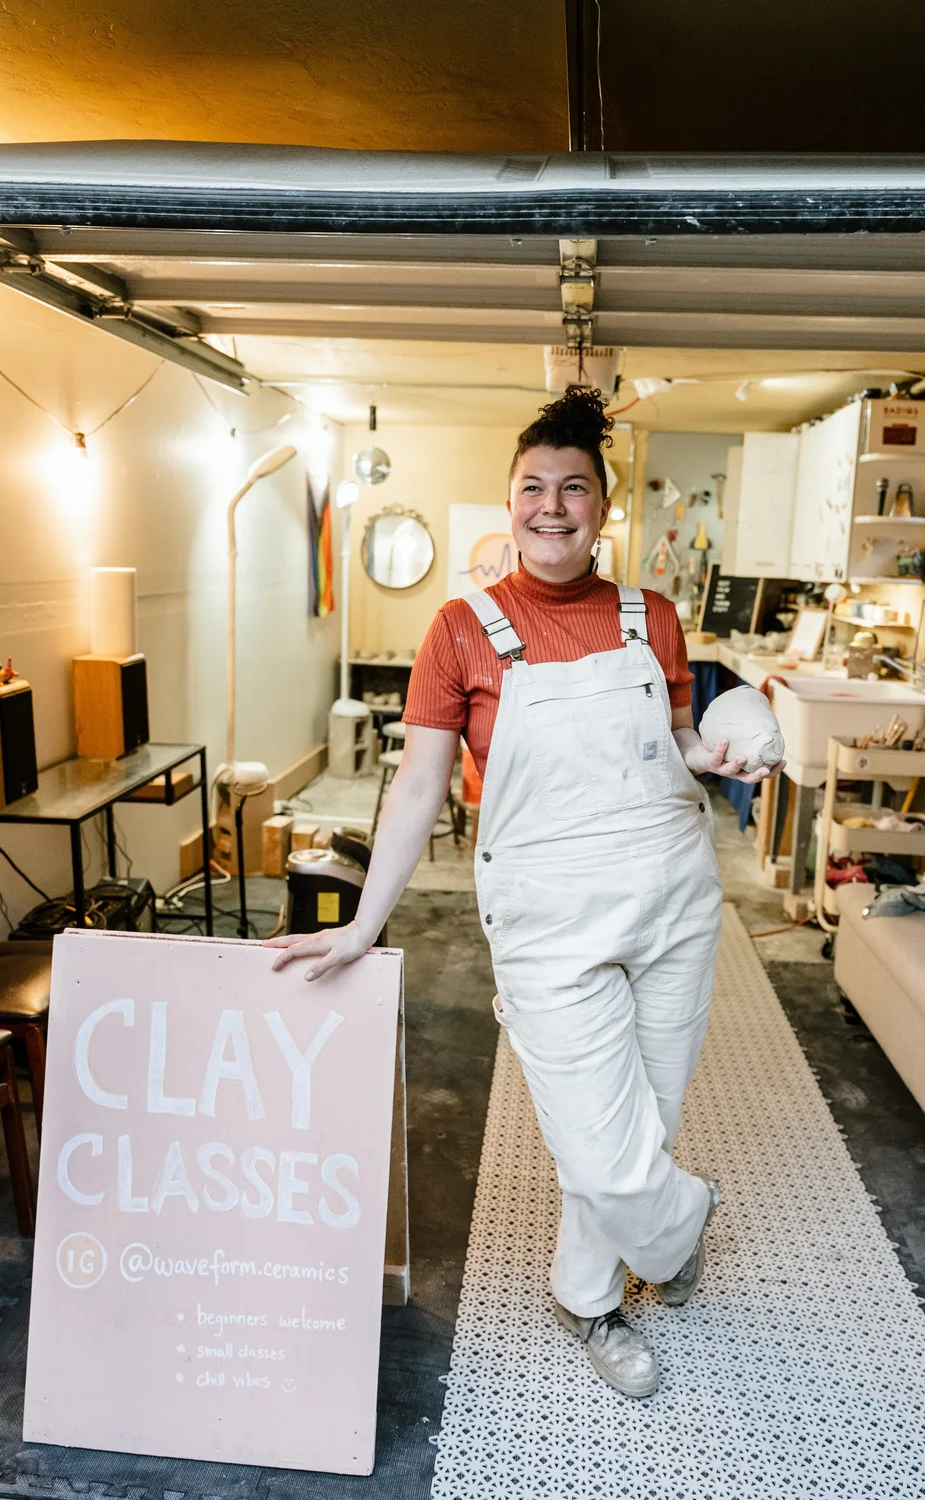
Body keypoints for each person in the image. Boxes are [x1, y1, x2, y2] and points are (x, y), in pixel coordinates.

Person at [267, 388, 783, 1399]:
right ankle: (676, 1230)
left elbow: (670, 745)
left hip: (671, 899)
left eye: (574, 488)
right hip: (546, 920)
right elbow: (419, 784)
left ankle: (588, 1295)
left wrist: (720, 750)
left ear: (603, 505)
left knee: (646, 1119)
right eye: (532, 489)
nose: (553, 507)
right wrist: (367, 922)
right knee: (600, 1150)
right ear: (510, 504)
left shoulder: (654, 618)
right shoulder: (461, 631)